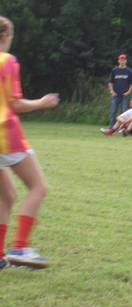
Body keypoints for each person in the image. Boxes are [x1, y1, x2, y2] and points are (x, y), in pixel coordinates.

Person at [0, 16, 59, 269]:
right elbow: (15, 104)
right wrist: (42, 103)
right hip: (6, 135)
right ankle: (21, 248)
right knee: (39, 187)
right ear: (5, 36)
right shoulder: (8, 61)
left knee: (7, 196)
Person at [100, 53, 132, 132]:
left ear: (126, 61)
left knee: (124, 113)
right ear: (118, 61)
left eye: (124, 60)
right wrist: (111, 91)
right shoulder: (114, 70)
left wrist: (128, 91)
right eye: (121, 60)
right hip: (115, 95)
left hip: (125, 95)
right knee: (113, 112)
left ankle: (123, 128)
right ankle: (111, 128)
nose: (122, 61)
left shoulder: (129, 71)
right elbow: (110, 82)